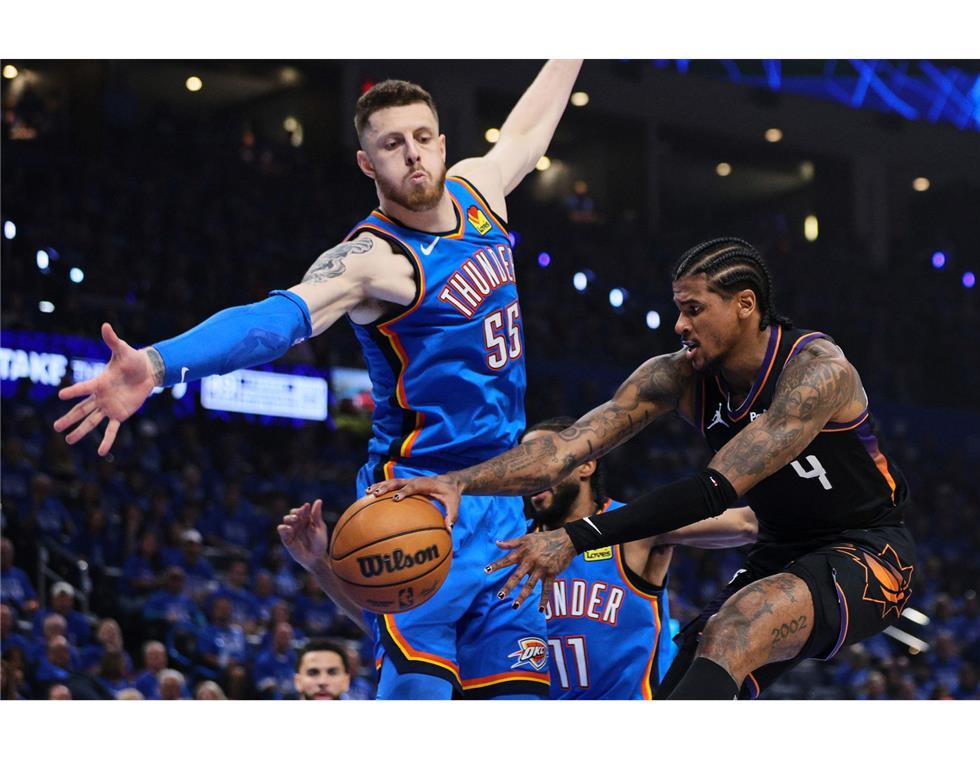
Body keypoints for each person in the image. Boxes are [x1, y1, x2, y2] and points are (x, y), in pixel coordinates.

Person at [56, 59, 583, 701]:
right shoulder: (372, 261)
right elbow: (277, 319)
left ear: (443, 143)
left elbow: (529, 130)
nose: (412, 156)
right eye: (392, 144)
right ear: (368, 164)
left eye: (422, 138)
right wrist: (161, 364)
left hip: (501, 504)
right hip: (416, 506)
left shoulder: (481, 191)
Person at [371, 237, 917, 699]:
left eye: (694, 309)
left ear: (745, 304)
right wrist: (457, 482)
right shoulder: (676, 375)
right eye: (678, 308)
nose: (679, 324)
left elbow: (713, 490)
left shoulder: (817, 373)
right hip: (780, 549)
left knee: (736, 627)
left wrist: (576, 537)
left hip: (870, 549)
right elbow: (563, 452)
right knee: (686, 680)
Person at [519, 417, 757, 699]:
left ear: (586, 464)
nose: (531, 472)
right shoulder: (514, 545)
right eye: (523, 463)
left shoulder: (633, 528)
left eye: (544, 458)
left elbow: (747, 523)